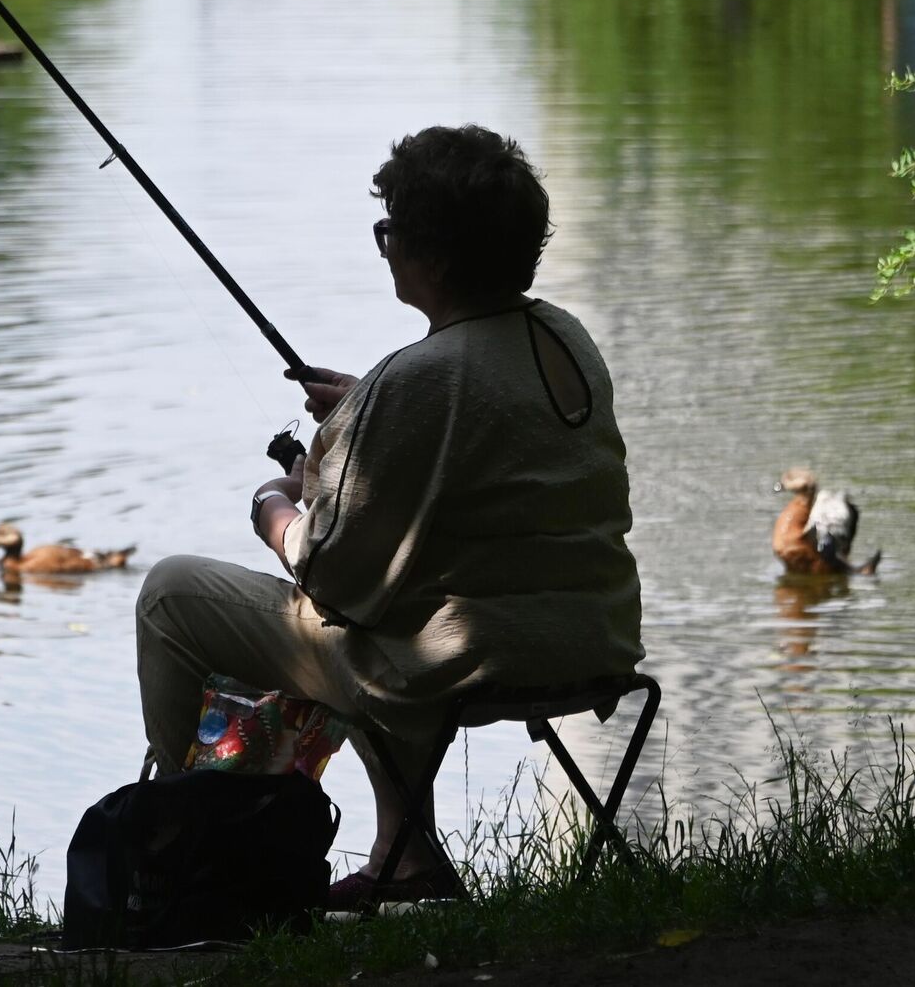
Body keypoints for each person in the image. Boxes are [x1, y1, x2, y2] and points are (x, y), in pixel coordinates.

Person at [134, 124, 643, 907]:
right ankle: (406, 860)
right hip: (589, 639)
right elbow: (481, 442)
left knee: (172, 594)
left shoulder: (420, 382)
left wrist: (277, 504)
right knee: (403, 607)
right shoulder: (564, 338)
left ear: (433, 257)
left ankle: (183, 858)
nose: (385, 245)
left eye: (391, 230)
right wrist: (366, 408)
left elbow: (330, 575)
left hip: (463, 664)